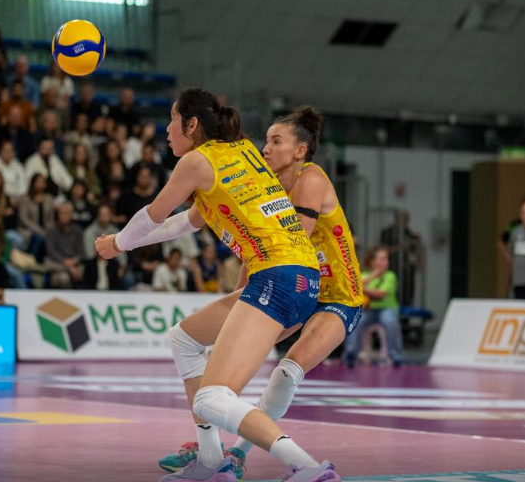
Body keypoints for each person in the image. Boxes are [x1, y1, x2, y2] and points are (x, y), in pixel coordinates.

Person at [96, 89, 335, 482]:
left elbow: (154, 215)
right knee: (184, 339)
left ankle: (308, 468)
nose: (167, 129)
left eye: (173, 120)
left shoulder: (196, 161)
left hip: (277, 277)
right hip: (300, 278)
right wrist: (125, 242)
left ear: (192, 125)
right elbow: (185, 223)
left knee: (211, 397)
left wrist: (118, 243)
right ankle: (211, 461)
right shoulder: (239, 151)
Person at [157, 106, 363, 479]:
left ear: (300, 151)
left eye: (276, 141)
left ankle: (239, 452)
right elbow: (259, 254)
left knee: (285, 373)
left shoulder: (311, 178)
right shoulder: (269, 185)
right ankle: (211, 451)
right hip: (294, 287)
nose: (265, 148)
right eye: (266, 140)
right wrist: (243, 300)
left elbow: (287, 249)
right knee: (220, 366)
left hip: (337, 296)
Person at [343, 246, 404, 367]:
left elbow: (381, 294)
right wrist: (374, 275)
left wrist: (363, 289)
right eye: (382, 259)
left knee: (390, 321)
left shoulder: (390, 276)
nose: (385, 262)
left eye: (386, 259)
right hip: (368, 310)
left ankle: (397, 356)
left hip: (386, 309)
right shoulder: (364, 275)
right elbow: (353, 288)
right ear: (372, 261)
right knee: (354, 322)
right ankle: (350, 354)